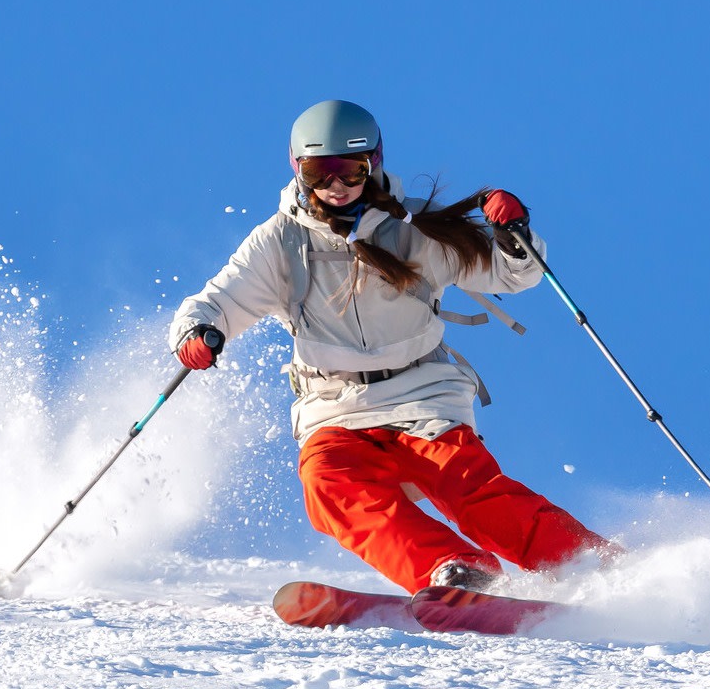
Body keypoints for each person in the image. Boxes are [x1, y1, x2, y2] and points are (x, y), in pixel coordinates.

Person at [170, 99, 611, 594]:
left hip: (422, 394)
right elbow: (217, 301)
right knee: (328, 487)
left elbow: (513, 274)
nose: (336, 186)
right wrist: (197, 332)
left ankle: (592, 565)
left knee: (468, 488)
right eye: (320, 172)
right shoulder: (279, 242)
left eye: (351, 170)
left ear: (374, 166)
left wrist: (514, 237)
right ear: (298, 170)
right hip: (334, 406)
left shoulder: (417, 227)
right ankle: (454, 570)